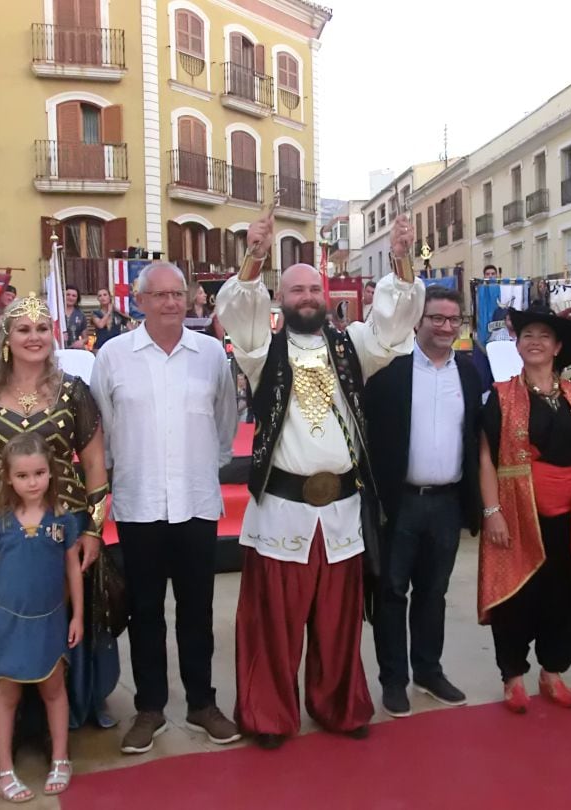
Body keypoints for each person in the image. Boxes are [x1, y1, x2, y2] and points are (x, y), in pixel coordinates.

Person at [215, 210, 425, 750]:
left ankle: (339, 705)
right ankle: (268, 714)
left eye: (314, 287)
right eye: (297, 288)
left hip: (341, 512)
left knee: (338, 621)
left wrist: (402, 262)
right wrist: (255, 255)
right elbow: (239, 315)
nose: (307, 295)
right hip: (281, 511)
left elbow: (393, 327)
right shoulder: (263, 351)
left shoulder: (352, 345)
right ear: (281, 298)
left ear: (325, 292)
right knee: (274, 625)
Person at [0, 294, 116, 736]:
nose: (34, 337)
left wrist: (94, 529)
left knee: (62, 614)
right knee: (3, 615)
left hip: (66, 524)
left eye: (42, 329)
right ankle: (3, 717)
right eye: (24, 329)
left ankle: (73, 706)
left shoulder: (74, 390)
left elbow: (94, 461)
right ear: (7, 337)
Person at [91, 263, 239, 754]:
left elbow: (225, 423)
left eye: (179, 294)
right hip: (139, 505)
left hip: (196, 502)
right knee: (145, 611)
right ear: (140, 301)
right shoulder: (113, 356)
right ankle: (150, 707)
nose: (172, 303)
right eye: (160, 295)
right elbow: (104, 432)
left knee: (197, 610)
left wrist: (205, 467)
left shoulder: (211, 354)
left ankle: (202, 703)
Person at [479, 310, 571, 712]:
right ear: (517, 346)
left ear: (557, 348)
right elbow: (485, 457)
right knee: (517, 595)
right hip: (518, 510)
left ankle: (553, 670)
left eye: (544, 336)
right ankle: (513, 676)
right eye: (527, 335)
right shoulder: (500, 395)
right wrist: (491, 511)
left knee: (567, 596)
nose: (534, 341)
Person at [364, 286, 485, 718]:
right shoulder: (389, 372)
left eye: (454, 320)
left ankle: (429, 671)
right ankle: (393, 680)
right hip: (399, 503)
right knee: (392, 592)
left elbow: (476, 438)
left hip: (447, 503)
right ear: (419, 320)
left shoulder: (470, 374)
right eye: (437, 318)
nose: (446, 327)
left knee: (434, 593)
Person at [0, 432, 85, 801]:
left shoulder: (64, 520)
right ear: (8, 478)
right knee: (6, 695)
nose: (32, 482)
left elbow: (73, 571)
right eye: (23, 476)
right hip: (8, 622)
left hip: (51, 620)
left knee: (54, 691)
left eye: (39, 473)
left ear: (51, 473)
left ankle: (60, 757)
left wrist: (77, 617)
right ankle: (3, 769)